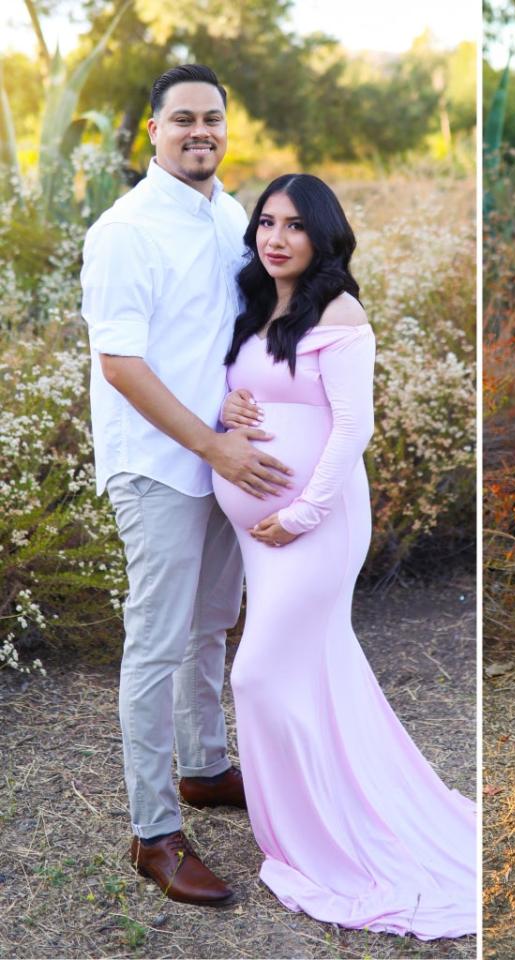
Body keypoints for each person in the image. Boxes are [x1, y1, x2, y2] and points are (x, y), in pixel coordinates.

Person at [212, 173, 477, 940]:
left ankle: (314, 839)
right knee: (314, 668)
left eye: (293, 226)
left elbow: (351, 428)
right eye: (266, 222)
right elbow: (247, 393)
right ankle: (324, 799)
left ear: (321, 236)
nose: (275, 237)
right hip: (258, 538)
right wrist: (228, 406)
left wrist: (300, 512)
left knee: (255, 674)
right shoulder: (259, 306)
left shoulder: (339, 310)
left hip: (316, 528)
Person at [81, 64, 293, 907]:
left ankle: (205, 767)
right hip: (161, 463)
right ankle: (154, 831)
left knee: (214, 623)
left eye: (213, 119)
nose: (200, 132)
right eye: (183, 120)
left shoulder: (229, 211)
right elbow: (121, 364)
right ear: (152, 131)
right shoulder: (126, 230)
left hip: (221, 460)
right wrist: (211, 442)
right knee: (160, 639)